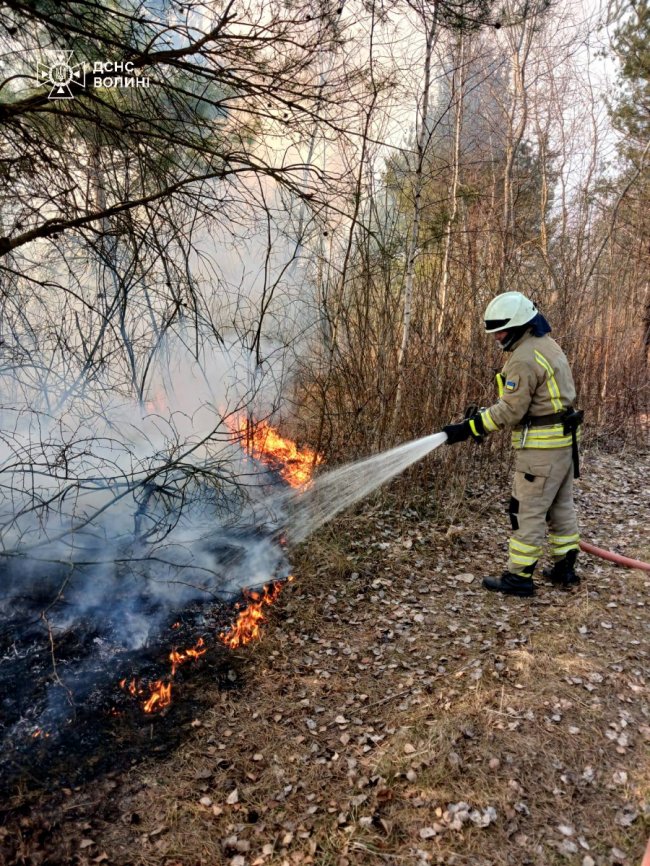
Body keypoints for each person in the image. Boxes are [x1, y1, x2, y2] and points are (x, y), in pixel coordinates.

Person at [442, 291, 583, 597]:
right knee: (560, 506)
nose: (497, 338)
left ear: (519, 326)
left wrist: (469, 428)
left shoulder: (522, 358)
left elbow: (511, 410)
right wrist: (484, 416)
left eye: (501, 331)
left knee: (526, 510)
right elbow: (536, 401)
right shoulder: (546, 345)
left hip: (540, 451)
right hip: (562, 444)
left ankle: (518, 578)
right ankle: (565, 569)